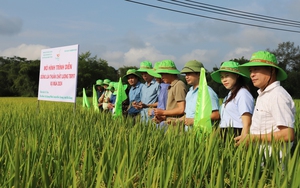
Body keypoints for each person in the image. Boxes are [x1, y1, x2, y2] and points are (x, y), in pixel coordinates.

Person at [234, 51, 295, 156]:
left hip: (274, 164)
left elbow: (287, 134)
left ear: (272, 70)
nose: (252, 74)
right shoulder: (263, 95)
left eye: (256, 69)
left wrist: (253, 138)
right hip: (261, 161)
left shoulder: (277, 95)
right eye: (251, 70)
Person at [211, 61, 254, 140]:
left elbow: (247, 122)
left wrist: (243, 142)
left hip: (236, 133)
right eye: (222, 77)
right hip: (225, 133)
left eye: (227, 76)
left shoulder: (243, 93)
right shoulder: (229, 95)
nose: (224, 80)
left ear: (237, 76)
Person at [180, 60, 220, 131]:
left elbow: (216, 115)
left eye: (189, 74)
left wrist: (195, 120)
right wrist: (176, 120)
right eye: (186, 74)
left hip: (203, 135)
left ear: (199, 74)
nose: (186, 77)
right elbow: (188, 115)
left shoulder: (207, 92)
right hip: (189, 134)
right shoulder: (189, 92)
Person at [154, 60, 187, 128]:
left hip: (176, 126)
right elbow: (173, 107)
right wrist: (163, 117)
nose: (161, 77)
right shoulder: (171, 86)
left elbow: (181, 109)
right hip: (170, 124)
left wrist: (163, 112)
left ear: (170, 73)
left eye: (163, 74)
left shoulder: (178, 85)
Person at [147, 61, 170, 127]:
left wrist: (152, 112)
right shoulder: (162, 86)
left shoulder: (165, 87)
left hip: (164, 122)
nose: (155, 77)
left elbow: (164, 107)